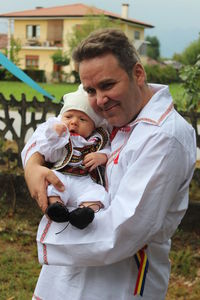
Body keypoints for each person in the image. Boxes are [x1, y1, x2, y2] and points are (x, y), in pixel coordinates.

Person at [22, 28, 196, 300]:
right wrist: (32, 165)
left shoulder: (164, 137)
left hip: (117, 282)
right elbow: (52, 131)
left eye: (107, 85)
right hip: (65, 274)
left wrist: (48, 229)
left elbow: (124, 228)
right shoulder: (114, 111)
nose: (99, 100)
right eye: (90, 89)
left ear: (138, 74)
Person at [28, 85, 110, 229]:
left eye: (83, 119)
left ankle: (84, 213)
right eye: (68, 116)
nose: (73, 122)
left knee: (96, 193)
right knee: (51, 186)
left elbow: (110, 150)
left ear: (93, 126)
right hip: (62, 175)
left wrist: (102, 156)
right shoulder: (62, 138)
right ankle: (56, 208)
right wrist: (54, 137)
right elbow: (50, 155)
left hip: (85, 180)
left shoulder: (98, 139)